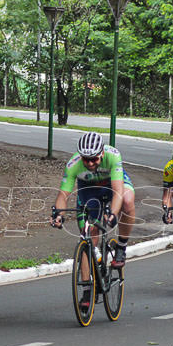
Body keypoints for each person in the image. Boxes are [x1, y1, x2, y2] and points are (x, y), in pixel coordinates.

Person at [50, 132, 136, 308]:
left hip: (111, 185)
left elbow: (118, 191)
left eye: (94, 159)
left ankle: (121, 246)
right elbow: (63, 194)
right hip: (88, 190)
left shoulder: (113, 155)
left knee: (127, 201)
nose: (90, 163)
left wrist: (112, 213)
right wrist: (59, 214)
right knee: (87, 237)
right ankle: (87, 291)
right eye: (86, 159)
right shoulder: (73, 164)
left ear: (102, 154)